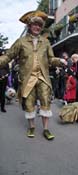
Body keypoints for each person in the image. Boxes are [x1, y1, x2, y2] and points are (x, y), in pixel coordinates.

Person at [0, 10, 67, 140]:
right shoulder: (21, 42)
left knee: (45, 102)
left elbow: (51, 59)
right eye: (34, 24)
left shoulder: (45, 42)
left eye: (39, 25)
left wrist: (60, 61)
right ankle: (31, 126)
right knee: (29, 103)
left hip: (43, 77)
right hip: (28, 78)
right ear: (29, 26)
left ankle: (46, 129)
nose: (37, 27)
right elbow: (8, 56)